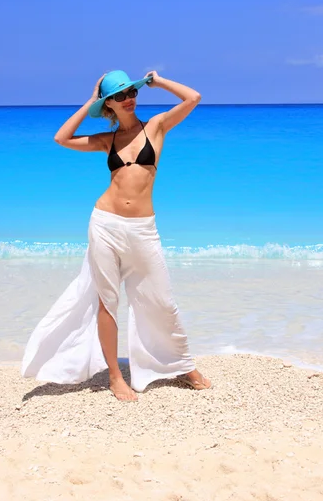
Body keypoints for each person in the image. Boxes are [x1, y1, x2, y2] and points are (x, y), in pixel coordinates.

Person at [21, 70, 211, 401]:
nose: (128, 99)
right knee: (107, 302)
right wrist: (89, 101)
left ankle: (183, 366)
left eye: (131, 92)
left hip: (142, 228)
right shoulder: (107, 141)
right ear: (109, 103)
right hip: (105, 224)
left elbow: (193, 98)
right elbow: (61, 138)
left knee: (160, 300)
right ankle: (114, 376)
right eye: (119, 95)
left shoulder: (156, 126)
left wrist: (158, 81)